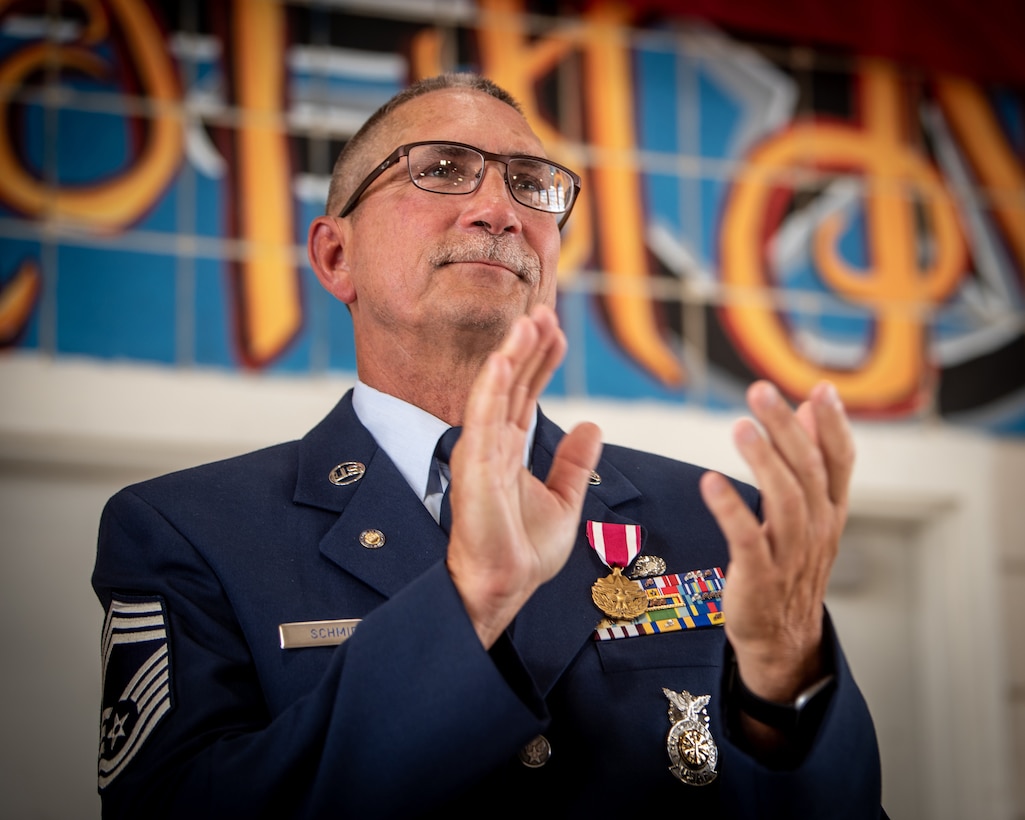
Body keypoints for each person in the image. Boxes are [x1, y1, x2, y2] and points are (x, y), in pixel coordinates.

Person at [93, 73, 885, 818]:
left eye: (530, 184)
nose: (499, 211)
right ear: (337, 256)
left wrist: (784, 690)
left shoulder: (716, 521)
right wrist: (467, 600)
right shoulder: (186, 531)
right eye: (441, 169)